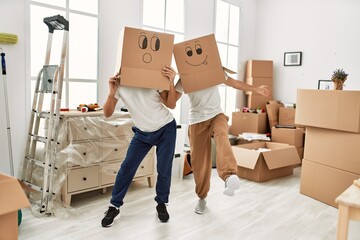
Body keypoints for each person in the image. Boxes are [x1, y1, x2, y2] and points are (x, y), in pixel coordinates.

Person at [175, 74, 270, 214]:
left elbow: (235, 83)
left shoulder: (214, 69)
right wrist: (169, 80)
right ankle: (202, 198)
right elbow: (172, 101)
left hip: (216, 115)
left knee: (222, 135)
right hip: (196, 120)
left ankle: (229, 176)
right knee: (199, 163)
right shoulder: (184, 77)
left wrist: (256, 89)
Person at [101, 65, 182, 227]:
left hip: (165, 128)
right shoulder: (120, 82)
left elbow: (171, 104)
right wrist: (111, 92)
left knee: (164, 169)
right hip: (142, 133)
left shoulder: (152, 77)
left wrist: (172, 81)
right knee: (126, 168)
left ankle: (162, 204)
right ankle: (114, 206)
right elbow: (107, 113)